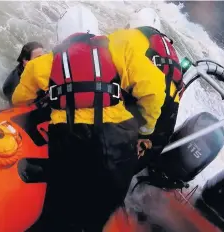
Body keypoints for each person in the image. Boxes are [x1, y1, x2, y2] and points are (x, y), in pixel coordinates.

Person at [12, 5, 166, 231]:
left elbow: (19, 100)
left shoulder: (40, 65)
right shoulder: (120, 50)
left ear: (61, 35)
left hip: (72, 144)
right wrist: (145, 130)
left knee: (57, 217)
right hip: (119, 148)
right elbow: (155, 90)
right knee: (96, 219)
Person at [125, 8, 184, 172]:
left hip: (147, 111)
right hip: (165, 124)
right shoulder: (168, 50)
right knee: (127, 169)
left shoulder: (136, 40)